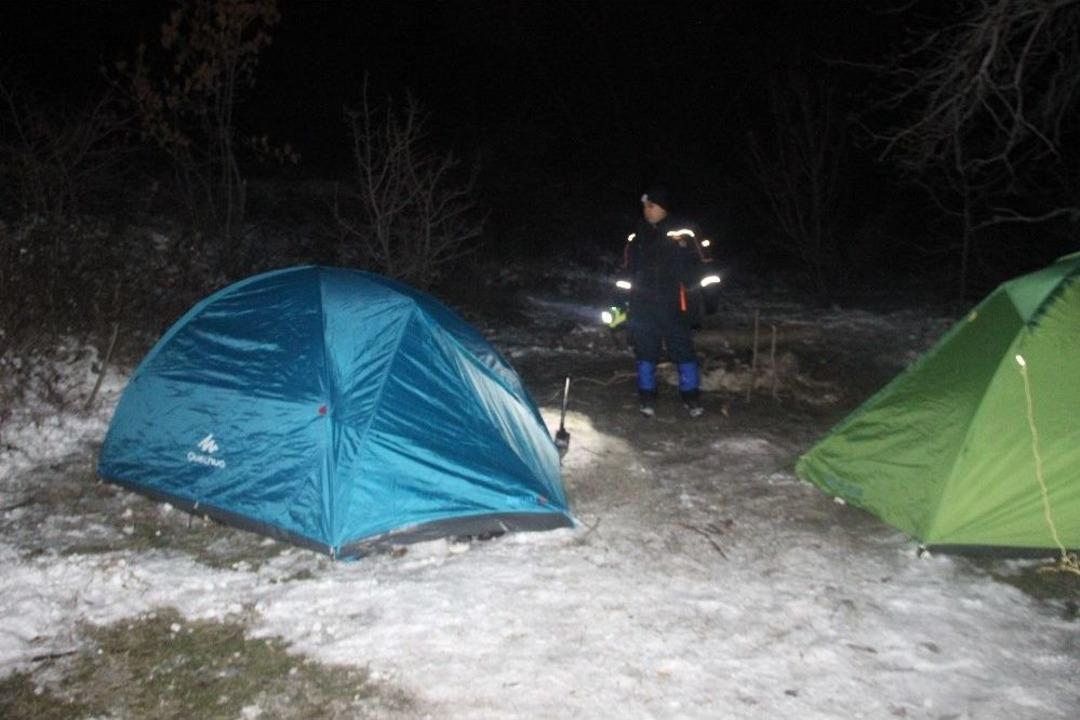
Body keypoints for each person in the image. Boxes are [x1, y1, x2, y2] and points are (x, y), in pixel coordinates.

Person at [613, 185, 718, 418]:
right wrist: (617, 310)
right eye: (644, 206)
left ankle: (691, 398)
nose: (646, 210)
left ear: (663, 207)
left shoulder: (687, 231)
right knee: (645, 354)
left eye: (651, 205)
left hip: (677, 307)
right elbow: (624, 275)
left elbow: (706, 267)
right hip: (643, 308)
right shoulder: (637, 235)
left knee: (683, 352)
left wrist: (710, 299)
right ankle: (647, 398)